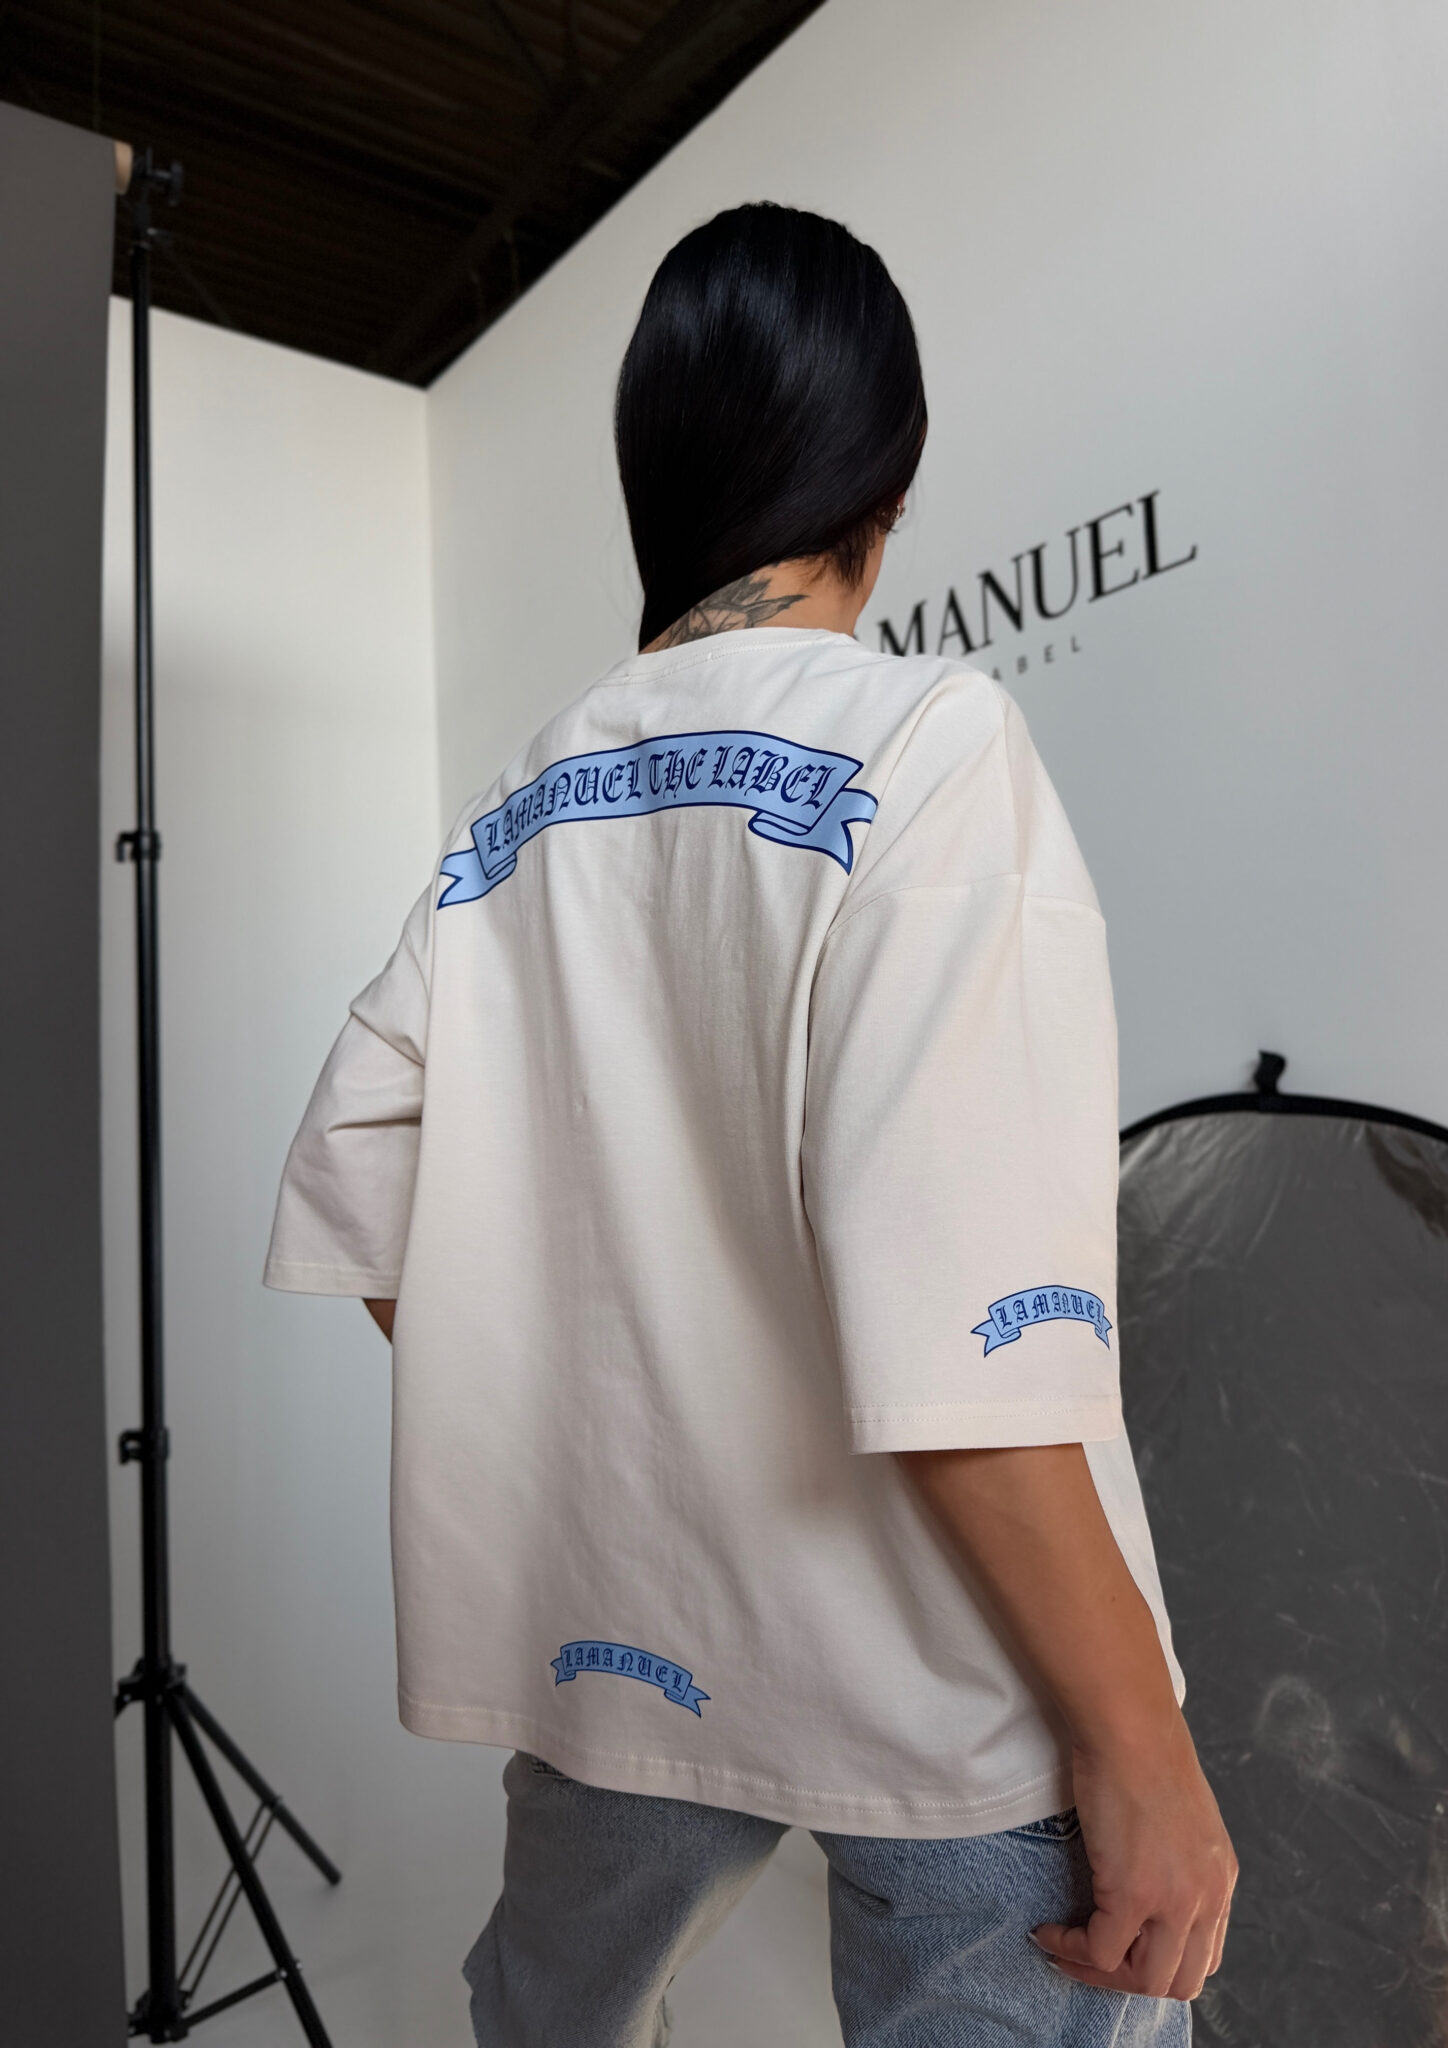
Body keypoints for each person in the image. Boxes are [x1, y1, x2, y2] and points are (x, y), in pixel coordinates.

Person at [265, 201, 1236, 2047]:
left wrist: (656, 1421)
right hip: (947, 1677)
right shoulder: (930, 745)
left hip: (626, 1653)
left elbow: (372, 1180)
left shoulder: (521, 807)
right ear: (888, 479)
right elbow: (974, 1334)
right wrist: (1144, 1749)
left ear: (656, 476)